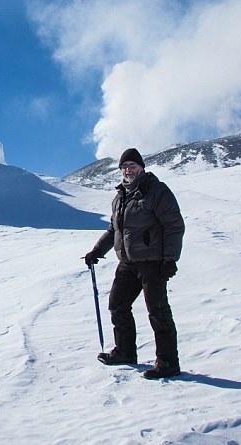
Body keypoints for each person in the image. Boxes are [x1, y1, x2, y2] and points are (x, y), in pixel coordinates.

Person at [84, 148, 185, 379]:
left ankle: (168, 363)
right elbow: (114, 230)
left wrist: (170, 258)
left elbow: (174, 226)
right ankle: (125, 352)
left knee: (157, 311)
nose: (128, 170)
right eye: (124, 167)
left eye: (132, 166)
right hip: (128, 263)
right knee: (117, 305)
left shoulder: (157, 191)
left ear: (142, 167)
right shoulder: (120, 197)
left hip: (153, 263)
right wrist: (96, 251)